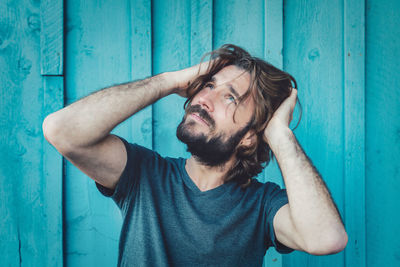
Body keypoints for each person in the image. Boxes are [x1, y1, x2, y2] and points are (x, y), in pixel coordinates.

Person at [43, 44, 348, 266]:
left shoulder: (263, 205)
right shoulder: (143, 174)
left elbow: (326, 239)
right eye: (208, 85)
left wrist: (280, 135)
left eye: (230, 97)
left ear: (249, 138)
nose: (204, 98)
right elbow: (61, 130)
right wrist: (170, 81)